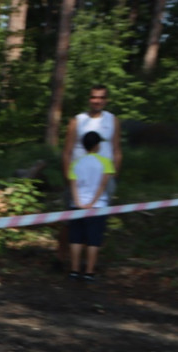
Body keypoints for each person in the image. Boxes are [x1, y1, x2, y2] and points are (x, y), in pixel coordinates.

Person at [59, 85, 122, 269]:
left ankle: (88, 264)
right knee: (70, 220)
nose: (97, 101)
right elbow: (67, 151)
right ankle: (63, 258)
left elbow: (117, 149)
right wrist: (66, 175)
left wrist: (114, 175)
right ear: (89, 99)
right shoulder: (77, 121)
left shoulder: (112, 120)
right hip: (79, 178)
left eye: (101, 97)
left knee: (97, 221)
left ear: (106, 100)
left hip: (103, 177)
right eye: (94, 97)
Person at [66, 131, 115, 282]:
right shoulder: (105, 162)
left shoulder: (75, 163)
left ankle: (74, 271)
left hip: (76, 206)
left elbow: (73, 185)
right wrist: (92, 203)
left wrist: (78, 202)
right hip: (98, 206)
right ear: (97, 145)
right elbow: (103, 184)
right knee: (94, 240)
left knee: (76, 239)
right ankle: (89, 272)